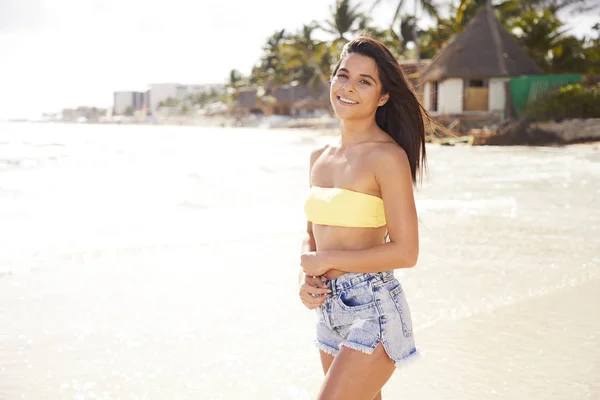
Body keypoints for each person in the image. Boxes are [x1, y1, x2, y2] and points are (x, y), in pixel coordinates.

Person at [298, 36, 437, 400]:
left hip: (373, 308)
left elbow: (406, 252)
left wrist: (327, 260)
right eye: (343, 75)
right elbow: (313, 232)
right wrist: (305, 276)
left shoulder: (387, 157)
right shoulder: (319, 157)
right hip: (328, 310)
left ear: (384, 96)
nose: (348, 87)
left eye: (365, 81)